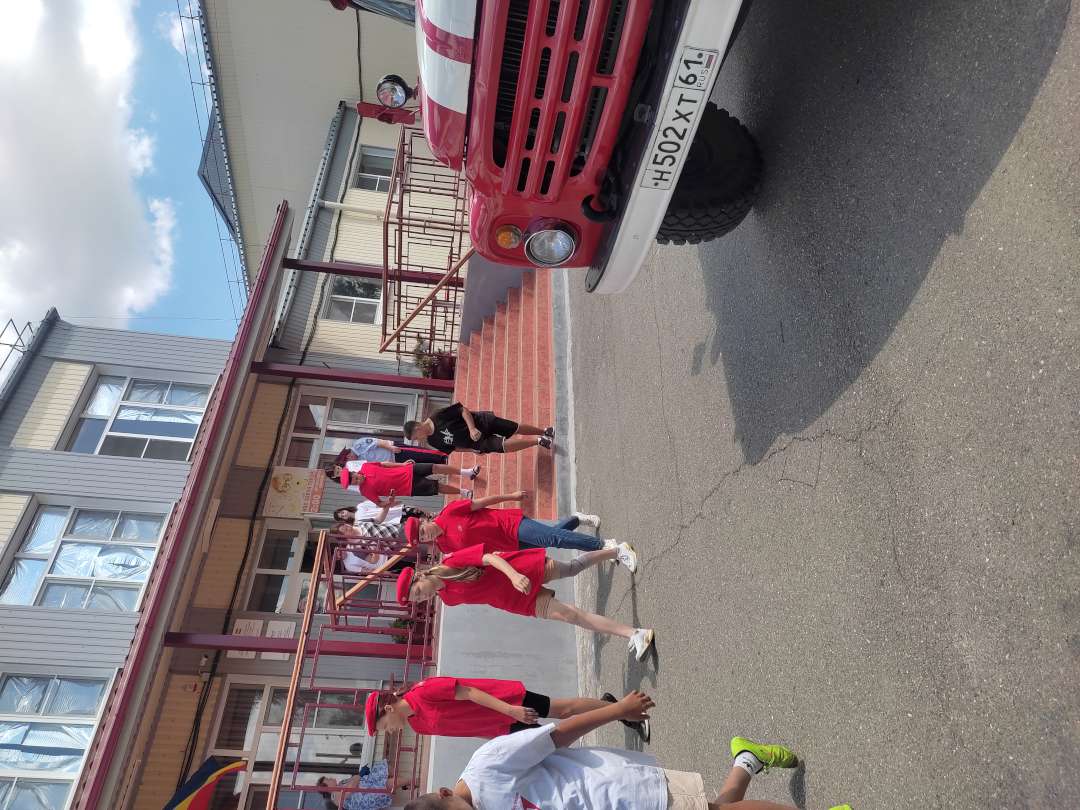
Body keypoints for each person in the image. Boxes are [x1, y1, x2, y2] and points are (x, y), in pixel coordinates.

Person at [405, 691, 852, 810]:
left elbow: (556, 736)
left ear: (444, 793)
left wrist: (617, 709)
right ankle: (747, 759)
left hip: (621, 792)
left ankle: (748, 761)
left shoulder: (486, 768)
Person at [396, 544, 655, 660]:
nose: (422, 597)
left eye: (417, 592)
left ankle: (617, 550)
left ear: (420, 577)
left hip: (520, 571)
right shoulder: (448, 599)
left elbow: (489, 557)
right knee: (570, 615)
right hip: (514, 600)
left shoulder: (450, 563)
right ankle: (635, 633)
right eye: (418, 599)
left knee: (572, 568)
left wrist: (513, 575)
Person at [364, 675, 649, 743]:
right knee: (558, 739)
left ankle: (623, 711)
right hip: (502, 728)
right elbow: (464, 729)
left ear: (388, 708)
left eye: (384, 726)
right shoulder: (418, 726)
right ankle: (613, 707)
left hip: (505, 702)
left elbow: (470, 692)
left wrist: (510, 710)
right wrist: (497, 739)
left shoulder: (424, 691)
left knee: (562, 710)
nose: (389, 732)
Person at [405, 493, 637, 570]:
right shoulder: (445, 546)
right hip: (508, 545)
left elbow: (482, 503)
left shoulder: (450, 512)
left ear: (424, 520)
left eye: (422, 531)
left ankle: (605, 546)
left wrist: (511, 496)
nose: (426, 537)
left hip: (509, 524)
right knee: (551, 538)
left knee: (553, 538)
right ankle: (576, 518)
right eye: (422, 539)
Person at [404, 402, 554, 455]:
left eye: (416, 437)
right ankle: (539, 441)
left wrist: (472, 429)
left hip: (481, 422)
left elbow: (462, 410)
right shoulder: (432, 441)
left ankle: (544, 431)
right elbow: (454, 448)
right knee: (501, 446)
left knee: (514, 428)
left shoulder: (437, 416)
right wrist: (472, 450)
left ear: (417, 428)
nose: (419, 440)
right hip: (476, 443)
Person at [335, 461, 474, 502]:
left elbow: (384, 464)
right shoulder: (365, 491)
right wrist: (390, 501)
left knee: (434, 467)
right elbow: (380, 503)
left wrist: (401, 464)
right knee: (437, 487)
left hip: (407, 470)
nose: (356, 481)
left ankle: (467, 472)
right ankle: (463, 492)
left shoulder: (366, 466)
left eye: (354, 478)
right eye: (354, 483)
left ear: (354, 472)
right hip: (409, 487)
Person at [316, 758, 393, 810]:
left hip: (367, 786)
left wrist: (362, 774)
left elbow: (354, 779)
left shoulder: (340, 783)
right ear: (327, 787)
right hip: (367, 796)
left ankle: (399, 778)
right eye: (328, 779)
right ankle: (400, 780)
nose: (330, 778)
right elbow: (349, 789)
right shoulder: (334, 797)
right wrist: (360, 774)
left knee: (381, 767)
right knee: (386, 783)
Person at [334, 436, 449, 466]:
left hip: (393, 450)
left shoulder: (359, 445)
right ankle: (441, 463)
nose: (351, 462)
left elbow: (378, 442)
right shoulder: (358, 461)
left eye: (348, 461)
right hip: (394, 462)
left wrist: (391, 448)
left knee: (419, 454)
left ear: (348, 456)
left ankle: (442, 456)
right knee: (418, 463)